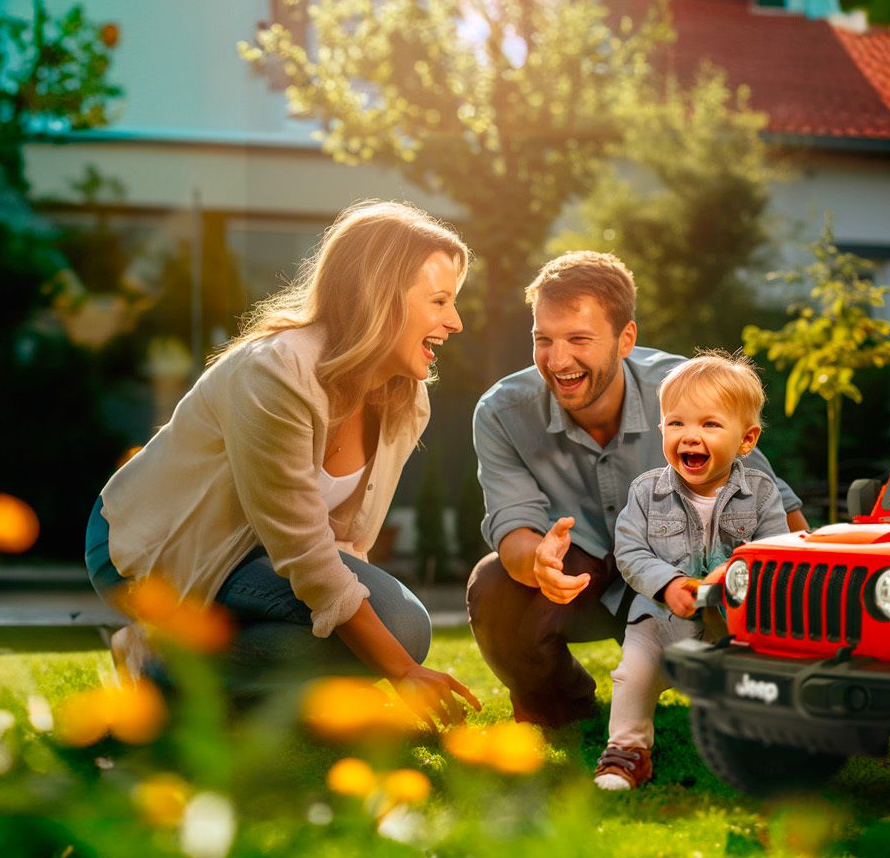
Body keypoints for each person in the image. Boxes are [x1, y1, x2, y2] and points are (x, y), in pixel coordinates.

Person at [85, 199, 482, 728]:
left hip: (262, 557)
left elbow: (346, 545)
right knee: (398, 628)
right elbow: (306, 552)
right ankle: (158, 669)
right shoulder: (276, 373)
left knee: (389, 622)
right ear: (380, 296)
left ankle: (184, 677)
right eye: (439, 301)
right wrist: (400, 670)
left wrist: (365, 653)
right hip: (156, 548)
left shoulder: (406, 400)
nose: (454, 322)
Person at [465, 251, 806, 726]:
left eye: (578, 339)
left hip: (681, 567)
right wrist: (537, 564)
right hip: (576, 571)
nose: (557, 359)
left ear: (626, 338)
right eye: (543, 339)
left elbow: (775, 502)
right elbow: (512, 524)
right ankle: (563, 702)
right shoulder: (502, 412)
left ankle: (738, 688)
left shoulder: (686, 389)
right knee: (495, 587)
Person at [594, 352, 788, 789]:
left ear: (746, 439)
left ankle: (762, 747)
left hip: (732, 623)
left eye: (710, 424)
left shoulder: (760, 493)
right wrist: (667, 584)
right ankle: (627, 752)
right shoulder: (646, 492)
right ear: (662, 429)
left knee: (755, 682)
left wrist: (736, 581)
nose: (690, 436)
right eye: (677, 423)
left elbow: (774, 553)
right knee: (634, 675)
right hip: (660, 620)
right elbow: (630, 552)